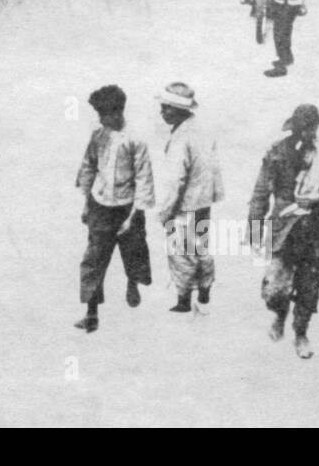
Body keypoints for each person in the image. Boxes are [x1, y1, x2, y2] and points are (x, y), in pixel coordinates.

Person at [248, 104, 319, 359]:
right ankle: (279, 316)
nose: (306, 133)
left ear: (316, 127)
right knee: (275, 288)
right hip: (282, 230)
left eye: (310, 128)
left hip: (312, 231)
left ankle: (301, 333)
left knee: (309, 287)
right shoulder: (277, 151)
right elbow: (261, 191)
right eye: (301, 128)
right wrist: (255, 228)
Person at [74, 85, 155, 332]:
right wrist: (87, 202)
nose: (100, 119)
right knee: (94, 259)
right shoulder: (98, 137)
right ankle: (91, 313)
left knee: (134, 250)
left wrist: (136, 213)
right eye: (99, 114)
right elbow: (88, 167)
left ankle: (133, 282)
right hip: (100, 205)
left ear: (118, 112)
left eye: (104, 114)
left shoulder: (136, 140)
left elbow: (144, 178)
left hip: (127, 206)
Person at [155, 83, 223, 313]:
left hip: (184, 206)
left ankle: (183, 299)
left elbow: (176, 180)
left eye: (168, 108)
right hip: (202, 203)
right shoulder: (201, 130)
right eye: (163, 107)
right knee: (200, 248)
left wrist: (165, 212)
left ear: (180, 110)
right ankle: (204, 289)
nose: (163, 112)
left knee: (181, 253)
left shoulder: (181, 138)